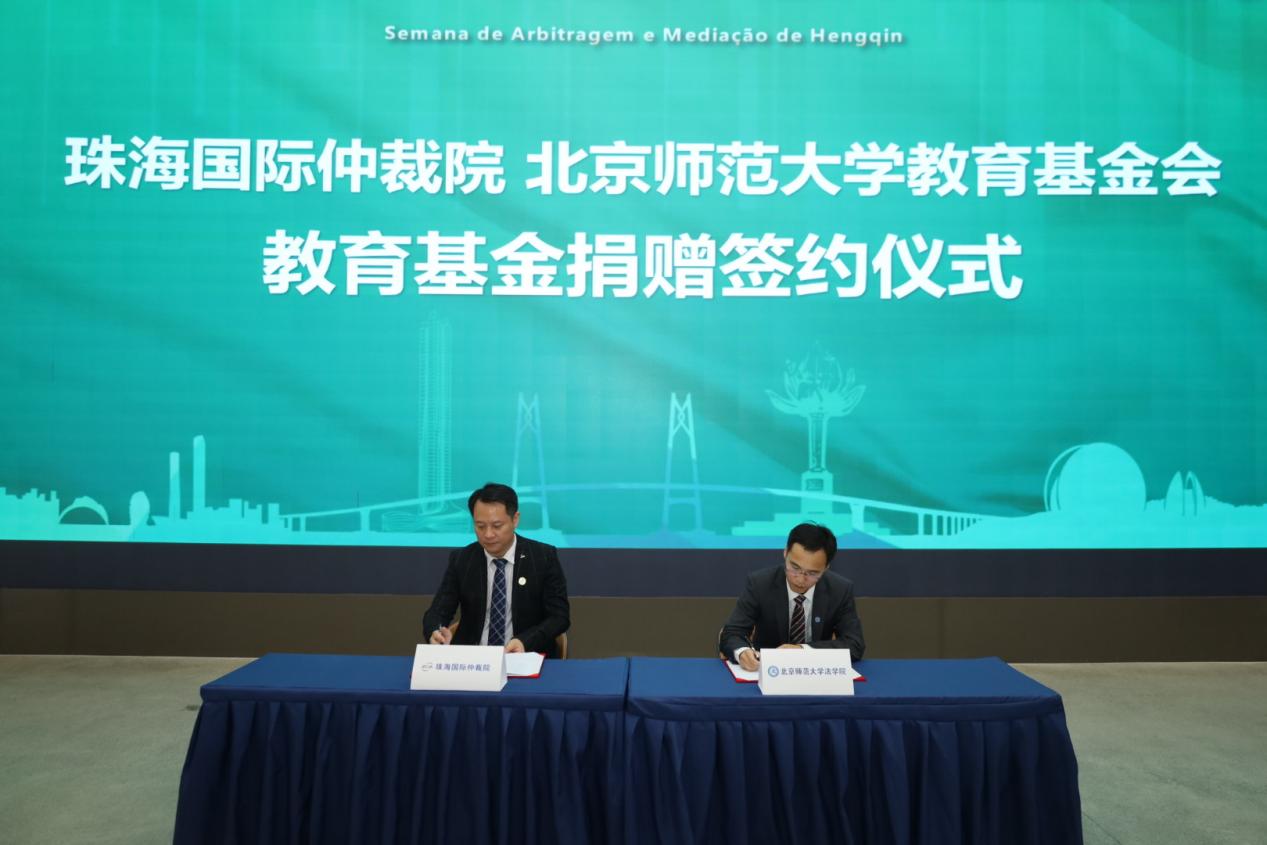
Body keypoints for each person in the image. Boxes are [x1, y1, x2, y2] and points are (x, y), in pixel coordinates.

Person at [422, 483, 571, 658]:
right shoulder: (463, 559)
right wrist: (435, 631)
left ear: (515, 519)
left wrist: (525, 641)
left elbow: (559, 617)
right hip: (473, 660)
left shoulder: (542, 557)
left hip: (524, 656)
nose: (488, 534)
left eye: (497, 526)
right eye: (480, 526)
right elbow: (438, 611)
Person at [719, 522, 864, 671]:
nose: (800, 579)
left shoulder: (839, 590)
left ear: (826, 568)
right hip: (768, 673)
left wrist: (802, 650)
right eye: (795, 568)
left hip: (814, 673)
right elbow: (731, 633)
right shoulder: (760, 584)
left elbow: (855, 644)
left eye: (812, 573)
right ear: (785, 553)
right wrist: (742, 652)